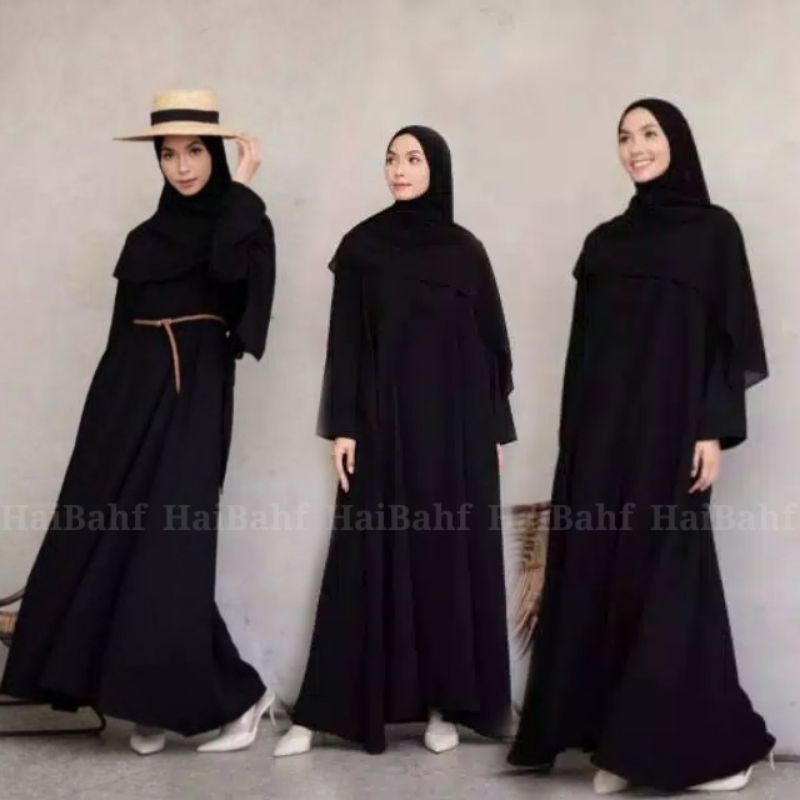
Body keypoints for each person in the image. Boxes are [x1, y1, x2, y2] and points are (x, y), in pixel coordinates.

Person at [507, 98, 774, 794]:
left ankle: (717, 750)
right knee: (605, 572)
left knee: (669, 579)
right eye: (625, 137)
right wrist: (574, 446)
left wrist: (711, 428)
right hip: (601, 435)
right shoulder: (605, 243)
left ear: (676, 141)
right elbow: (583, 353)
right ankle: (615, 743)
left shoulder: (714, 233)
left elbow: (730, 340)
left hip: (673, 432)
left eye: (649, 133)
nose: (636, 147)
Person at [0, 89, 277, 756]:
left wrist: (242, 191)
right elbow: (118, 336)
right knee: (113, 543)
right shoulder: (143, 240)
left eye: (194, 151)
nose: (182, 167)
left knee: (170, 554)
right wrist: (100, 427)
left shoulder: (244, 223)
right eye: (168, 154)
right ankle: (146, 703)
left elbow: (230, 284)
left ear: (215, 153)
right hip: (127, 395)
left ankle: (241, 698)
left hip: (194, 392)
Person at [274, 125, 515, 757]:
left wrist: (494, 431)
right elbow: (346, 343)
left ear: (436, 167)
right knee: (366, 552)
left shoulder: (465, 252)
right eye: (391, 158)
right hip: (382, 421)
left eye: (412, 158)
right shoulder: (363, 246)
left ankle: (442, 708)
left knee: (443, 556)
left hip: (456, 427)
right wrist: (344, 425)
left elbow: (491, 347)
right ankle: (327, 711)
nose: (399, 169)